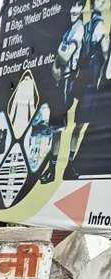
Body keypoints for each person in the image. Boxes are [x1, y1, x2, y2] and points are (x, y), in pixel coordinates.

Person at [40, 0, 85, 184]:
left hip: (69, 82)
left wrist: (59, 57)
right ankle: (54, 169)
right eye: (72, 5)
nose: (73, 9)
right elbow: (59, 60)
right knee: (57, 129)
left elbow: (64, 56)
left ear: (82, 8)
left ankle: (67, 167)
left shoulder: (78, 29)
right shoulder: (70, 28)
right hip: (62, 82)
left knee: (71, 127)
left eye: (78, 6)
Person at [66, 0, 111, 177]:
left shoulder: (85, 26)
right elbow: (106, 54)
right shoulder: (99, 26)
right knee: (83, 125)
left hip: (85, 82)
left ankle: (71, 163)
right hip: (92, 83)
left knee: (79, 126)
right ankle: (72, 164)